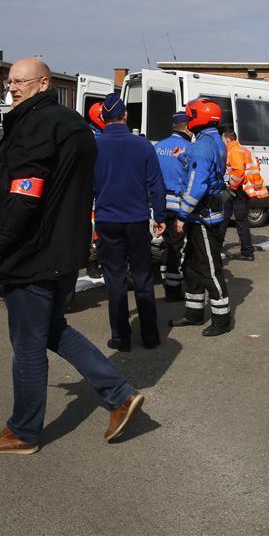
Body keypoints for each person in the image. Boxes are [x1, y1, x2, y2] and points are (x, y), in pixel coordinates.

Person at [0, 57, 144, 455]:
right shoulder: (71, 124)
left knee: (27, 345)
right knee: (54, 330)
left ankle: (22, 432)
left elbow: (25, 195)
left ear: (43, 84)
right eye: (9, 84)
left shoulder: (36, 124)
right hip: (60, 253)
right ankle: (119, 394)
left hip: (32, 255)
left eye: (19, 82)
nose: (12, 90)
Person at [93, 93, 167, 352]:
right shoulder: (143, 146)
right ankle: (150, 336)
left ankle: (121, 338)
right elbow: (156, 185)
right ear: (125, 116)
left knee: (114, 280)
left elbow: (86, 187)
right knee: (143, 277)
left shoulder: (95, 146)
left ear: (104, 117)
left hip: (106, 220)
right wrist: (160, 216)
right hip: (136, 219)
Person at [168, 98, 233, 336]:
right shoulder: (213, 140)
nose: (188, 118)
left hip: (202, 218)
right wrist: (183, 157)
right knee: (193, 267)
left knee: (209, 268)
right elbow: (206, 167)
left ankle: (222, 318)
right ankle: (194, 313)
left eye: (190, 114)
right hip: (207, 215)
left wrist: (182, 215)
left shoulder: (202, 145)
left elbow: (197, 186)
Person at [154, 112, 194, 301]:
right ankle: (173, 289)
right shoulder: (190, 149)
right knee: (177, 248)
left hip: (160, 204)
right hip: (179, 205)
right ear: (187, 127)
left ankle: (165, 279)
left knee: (167, 246)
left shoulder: (158, 147)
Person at [219, 129, 268, 261]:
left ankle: (247, 252)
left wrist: (232, 187)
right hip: (243, 190)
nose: (222, 143)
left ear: (228, 140)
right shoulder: (244, 150)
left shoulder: (233, 151)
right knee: (227, 217)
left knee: (236, 220)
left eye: (223, 140)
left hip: (238, 190)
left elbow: (238, 171)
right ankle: (218, 246)